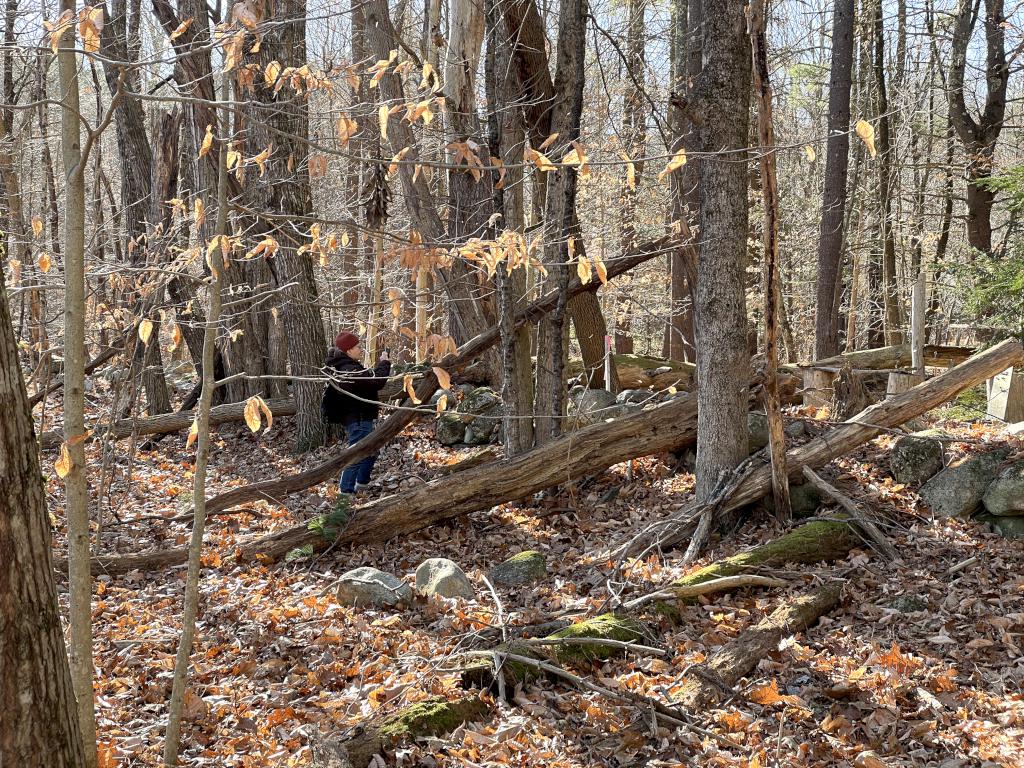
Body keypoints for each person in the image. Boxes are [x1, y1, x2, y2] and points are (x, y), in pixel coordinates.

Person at [322, 331, 392, 495]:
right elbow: (375, 382)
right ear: (348, 351)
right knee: (356, 456)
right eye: (357, 347)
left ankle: (361, 485)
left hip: (360, 418)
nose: (361, 349)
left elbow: (367, 381)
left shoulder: (346, 366)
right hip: (359, 419)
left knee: (371, 451)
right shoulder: (349, 369)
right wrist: (384, 363)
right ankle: (346, 493)